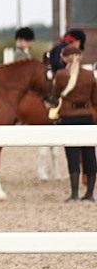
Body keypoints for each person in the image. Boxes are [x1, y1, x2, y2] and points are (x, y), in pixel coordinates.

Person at [48, 43, 97, 201]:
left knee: (72, 155)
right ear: (80, 57)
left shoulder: (61, 75)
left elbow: (55, 96)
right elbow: (95, 99)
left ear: (65, 58)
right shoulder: (90, 75)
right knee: (90, 154)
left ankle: (75, 193)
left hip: (69, 117)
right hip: (87, 118)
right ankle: (90, 194)